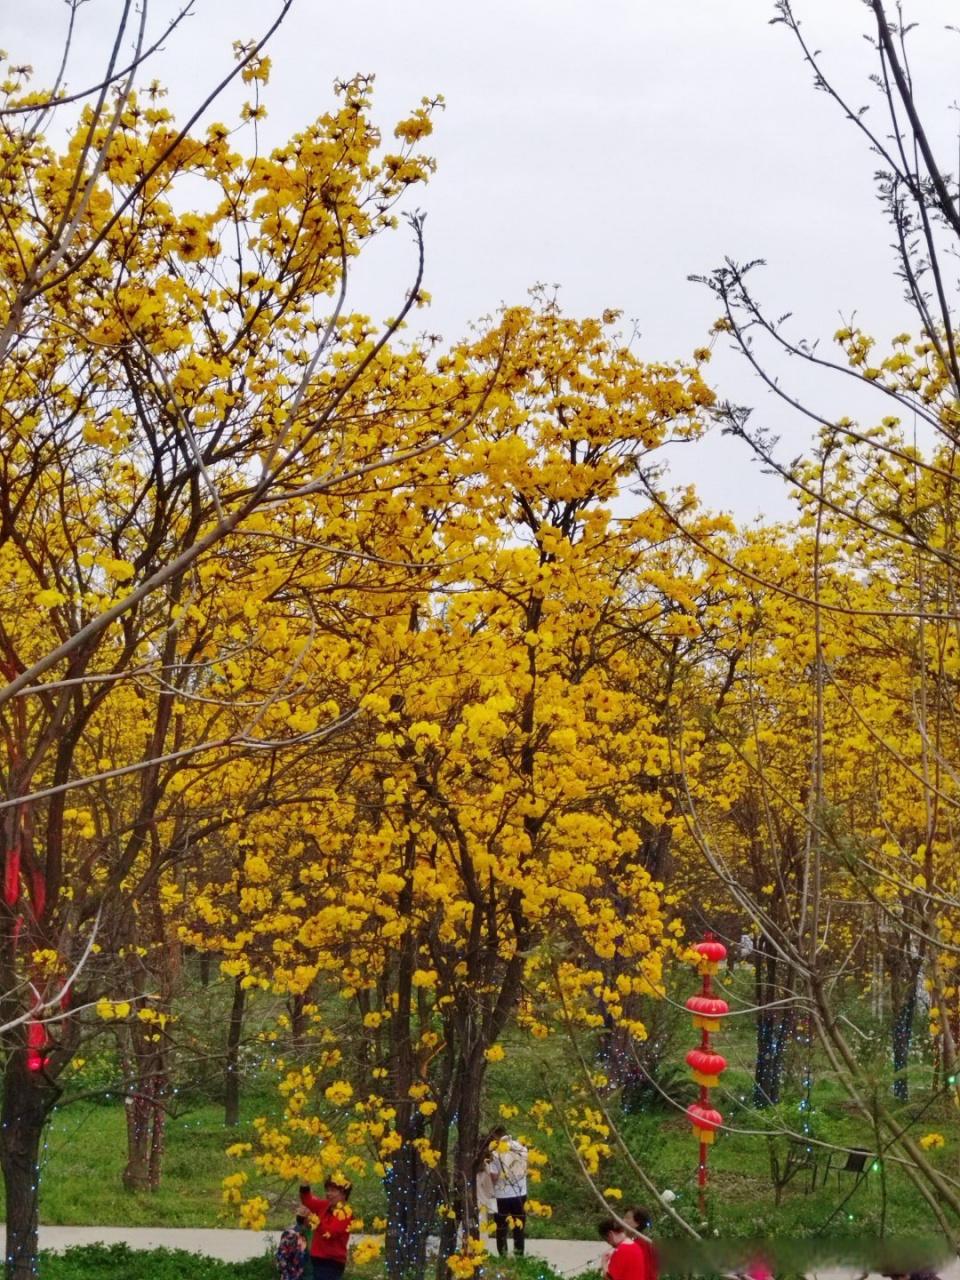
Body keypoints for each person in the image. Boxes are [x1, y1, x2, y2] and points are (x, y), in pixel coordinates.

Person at [484, 1127, 528, 1256]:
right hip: (520, 1193)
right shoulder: (521, 1148)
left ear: (496, 1136)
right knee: (519, 1228)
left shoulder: (496, 1152)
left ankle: (503, 1256)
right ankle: (519, 1256)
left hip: (502, 1195)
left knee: (501, 1228)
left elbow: (494, 1177)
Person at [299, 1176, 353, 1280]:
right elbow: (307, 1200)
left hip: (331, 1264)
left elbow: (329, 1232)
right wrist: (305, 1179)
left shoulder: (346, 1213)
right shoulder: (325, 1206)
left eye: (333, 1191)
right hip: (317, 1261)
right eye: (327, 1190)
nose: (328, 1194)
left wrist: (311, 1217)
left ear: (344, 1193)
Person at [276, 1206, 311, 1280]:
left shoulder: (310, 1233)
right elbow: (282, 1256)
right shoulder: (291, 1234)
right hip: (293, 1276)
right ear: (305, 1219)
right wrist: (285, 1275)